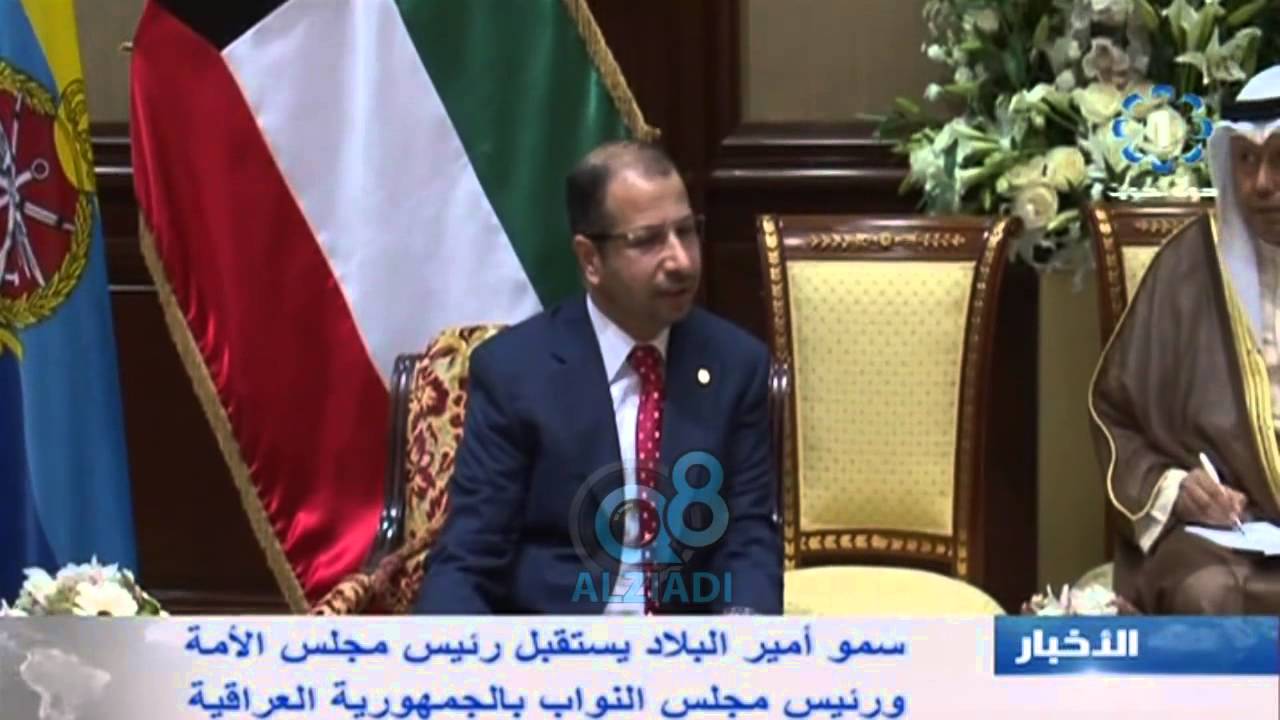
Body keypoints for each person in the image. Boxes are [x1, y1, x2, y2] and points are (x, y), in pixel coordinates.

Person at [415, 141, 783, 615]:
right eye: (648, 241)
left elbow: (748, 537)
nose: (682, 261)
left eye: (686, 232)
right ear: (590, 259)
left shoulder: (735, 364)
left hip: (687, 644)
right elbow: (470, 555)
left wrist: (743, 634)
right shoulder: (515, 374)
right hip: (557, 641)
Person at [1089, 66, 1280, 613]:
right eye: (1245, 160)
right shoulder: (1188, 267)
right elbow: (1115, 412)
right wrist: (1175, 488)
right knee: (1208, 593)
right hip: (1223, 536)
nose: (1261, 184)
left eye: (1279, 160)